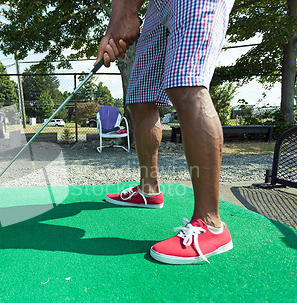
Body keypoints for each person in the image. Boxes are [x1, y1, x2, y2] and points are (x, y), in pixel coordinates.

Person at [96, 0, 235, 264]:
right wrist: (118, 21)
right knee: (140, 98)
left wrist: (128, 14)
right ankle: (149, 190)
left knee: (186, 82)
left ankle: (212, 224)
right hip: (158, 5)